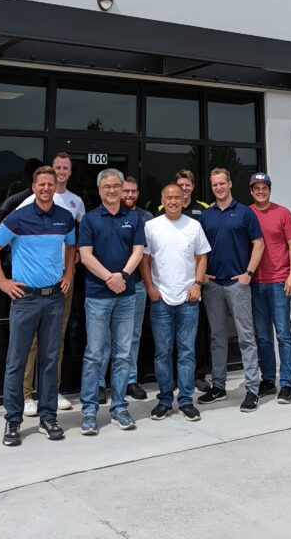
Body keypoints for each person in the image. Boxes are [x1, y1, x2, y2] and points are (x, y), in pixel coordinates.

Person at [0, 166, 75, 446]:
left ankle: (48, 417)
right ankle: (13, 420)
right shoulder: (18, 217)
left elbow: (71, 247)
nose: (47, 188)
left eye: (50, 183)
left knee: (49, 360)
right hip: (25, 298)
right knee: (17, 360)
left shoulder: (65, 217)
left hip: (54, 297)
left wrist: (69, 274)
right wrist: (2, 282)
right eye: (42, 184)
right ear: (34, 187)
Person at [6, 152, 85, 414]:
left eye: (65, 168)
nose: (60, 172)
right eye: (57, 168)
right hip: (30, 284)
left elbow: (76, 243)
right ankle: (27, 394)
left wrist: (69, 274)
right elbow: (6, 240)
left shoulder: (75, 203)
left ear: (70, 172)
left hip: (61, 281)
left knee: (55, 340)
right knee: (30, 342)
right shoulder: (29, 202)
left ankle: (52, 392)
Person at [78, 169, 146, 435]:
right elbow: (85, 255)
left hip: (127, 296)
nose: (112, 190)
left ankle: (119, 407)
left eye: (116, 186)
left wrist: (124, 276)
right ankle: (88, 411)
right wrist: (110, 278)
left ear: (122, 187)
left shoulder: (134, 218)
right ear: (99, 190)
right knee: (94, 354)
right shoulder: (90, 219)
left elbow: (138, 250)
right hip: (98, 297)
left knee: (122, 354)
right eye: (107, 187)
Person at [141, 182, 210, 421]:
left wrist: (197, 284)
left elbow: (202, 257)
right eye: (168, 198)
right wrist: (150, 287)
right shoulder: (151, 226)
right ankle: (163, 400)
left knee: (187, 353)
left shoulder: (194, 226)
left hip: (188, 299)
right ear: (162, 199)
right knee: (162, 353)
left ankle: (186, 401)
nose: (173, 202)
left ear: (183, 199)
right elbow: (145, 260)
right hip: (161, 299)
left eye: (177, 198)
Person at [199, 168, 264, 412]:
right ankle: (218, 387)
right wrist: (201, 275)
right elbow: (199, 250)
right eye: (214, 184)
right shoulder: (206, 216)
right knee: (217, 338)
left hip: (238, 284)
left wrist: (248, 274)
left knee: (246, 337)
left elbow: (259, 244)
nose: (219, 188)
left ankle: (252, 390)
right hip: (213, 285)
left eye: (222, 183)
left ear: (229, 184)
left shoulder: (245, 213)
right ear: (212, 186)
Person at [98, 176, 152, 402]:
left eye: (133, 191)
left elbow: (146, 254)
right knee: (104, 337)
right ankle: (100, 383)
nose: (129, 195)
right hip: (106, 285)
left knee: (133, 335)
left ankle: (130, 380)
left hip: (136, 286)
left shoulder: (145, 218)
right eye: (126, 191)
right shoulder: (103, 216)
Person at [248, 172, 291, 404]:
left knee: (283, 334)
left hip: (279, 282)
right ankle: (268, 380)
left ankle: (287, 384)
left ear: (270, 189)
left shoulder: (283, 213)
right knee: (263, 336)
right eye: (256, 188)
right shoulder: (247, 213)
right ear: (251, 191)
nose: (260, 191)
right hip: (256, 284)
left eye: (264, 187)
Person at [175, 169, 212, 391]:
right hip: (174, 281)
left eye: (187, 184)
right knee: (172, 330)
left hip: (198, 281)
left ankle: (199, 374)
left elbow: (209, 244)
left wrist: (204, 274)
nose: (184, 188)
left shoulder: (204, 210)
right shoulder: (163, 208)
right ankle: (173, 375)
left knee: (199, 330)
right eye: (180, 184)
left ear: (193, 186)